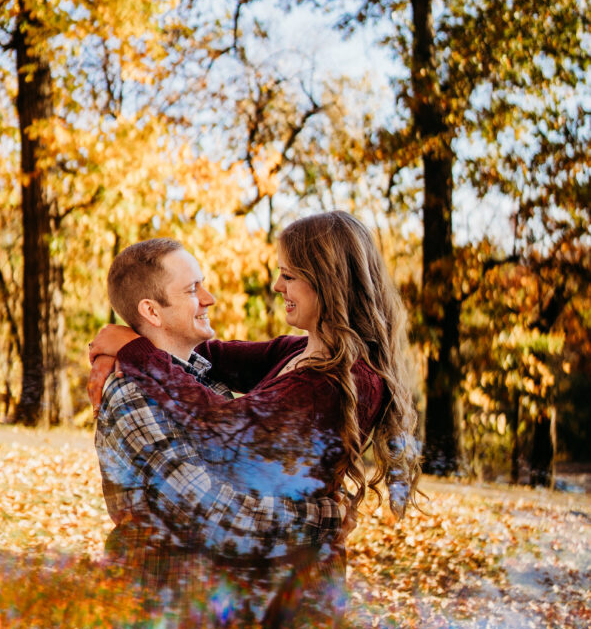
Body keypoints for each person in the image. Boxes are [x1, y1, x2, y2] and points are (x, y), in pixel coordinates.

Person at [89, 212, 421, 552]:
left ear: (328, 282)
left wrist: (135, 348)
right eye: (193, 288)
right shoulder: (302, 351)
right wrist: (125, 342)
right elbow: (207, 352)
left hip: (294, 578)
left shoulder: (336, 380)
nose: (277, 286)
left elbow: (227, 427)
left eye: (288, 275)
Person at [90, 237, 346, 564]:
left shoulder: (202, 372)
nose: (210, 300)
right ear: (151, 311)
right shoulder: (132, 394)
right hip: (164, 598)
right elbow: (213, 515)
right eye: (193, 290)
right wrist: (325, 516)